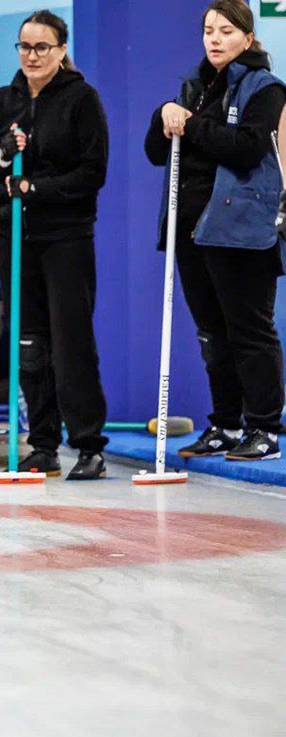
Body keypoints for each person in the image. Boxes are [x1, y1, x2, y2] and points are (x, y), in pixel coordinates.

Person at [145, 0, 285, 462]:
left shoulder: (266, 88)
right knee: (212, 332)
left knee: (249, 330)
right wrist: (163, 113)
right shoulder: (192, 88)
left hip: (241, 229)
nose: (215, 39)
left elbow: (247, 148)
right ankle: (225, 424)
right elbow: (155, 151)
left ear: (247, 37)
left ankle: (263, 428)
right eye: (209, 30)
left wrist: (191, 124)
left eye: (226, 31)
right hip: (190, 228)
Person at [0, 9, 110, 479]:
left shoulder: (81, 99)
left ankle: (89, 445)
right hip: (13, 235)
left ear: (61, 50)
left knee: (70, 343)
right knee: (28, 344)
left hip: (66, 237)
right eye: (25, 47)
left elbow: (93, 173)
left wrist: (35, 188)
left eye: (42, 47)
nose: (32, 56)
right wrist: (3, 155)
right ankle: (43, 445)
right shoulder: (2, 101)